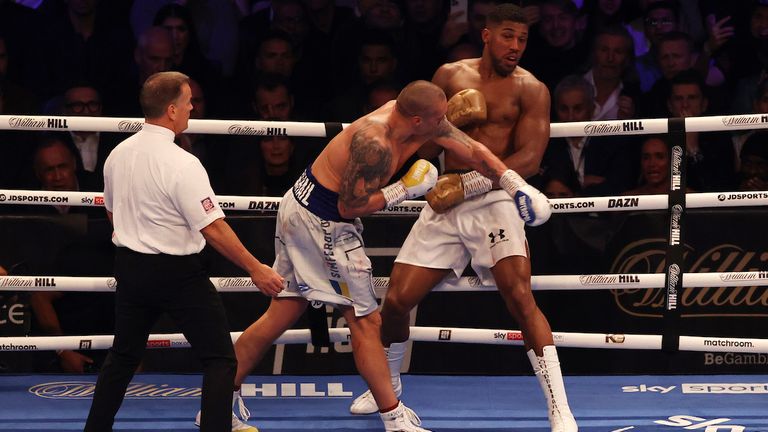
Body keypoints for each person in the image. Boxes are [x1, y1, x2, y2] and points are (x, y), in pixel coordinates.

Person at [216, 79, 550, 431]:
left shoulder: (417, 120)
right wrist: (404, 189)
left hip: (302, 204)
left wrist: (514, 183)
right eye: (439, 118)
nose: (445, 122)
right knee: (365, 322)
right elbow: (348, 207)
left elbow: (472, 150)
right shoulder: (374, 144)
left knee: (282, 311)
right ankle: (395, 420)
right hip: (324, 221)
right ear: (419, 121)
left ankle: (218, 403)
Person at [349, 5, 578, 431]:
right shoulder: (450, 76)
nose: (516, 47)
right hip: (443, 201)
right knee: (396, 301)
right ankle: (390, 385)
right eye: (508, 36)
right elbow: (420, 144)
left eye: (523, 40)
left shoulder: (532, 89)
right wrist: (439, 147)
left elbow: (529, 159)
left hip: (493, 200)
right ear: (487, 34)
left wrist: (470, 184)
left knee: (519, 295)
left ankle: (559, 408)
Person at [83, 71, 284, 432]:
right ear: (172, 110)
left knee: (123, 357)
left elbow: (112, 211)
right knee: (220, 359)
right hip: (177, 274)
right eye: (188, 102)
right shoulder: (182, 163)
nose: (193, 107)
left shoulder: (117, 154)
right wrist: (257, 268)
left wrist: (139, 234)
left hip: (130, 267)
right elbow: (213, 227)